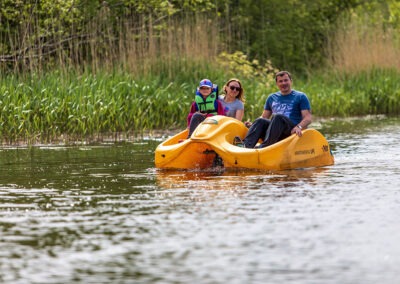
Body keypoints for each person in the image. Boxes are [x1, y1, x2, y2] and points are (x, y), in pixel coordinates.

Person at [235, 70, 312, 148]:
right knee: (260, 120)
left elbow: (308, 118)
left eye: (286, 80)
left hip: (290, 131)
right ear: (277, 84)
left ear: (291, 81)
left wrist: (299, 127)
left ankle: (264, 147)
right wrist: (253, 125)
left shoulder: (300, 96)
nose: (283, 83)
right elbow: (264, 117)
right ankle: (246, 146)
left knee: (277, 117)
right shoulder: (272, 97)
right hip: (273, 131)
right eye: (280, 81)